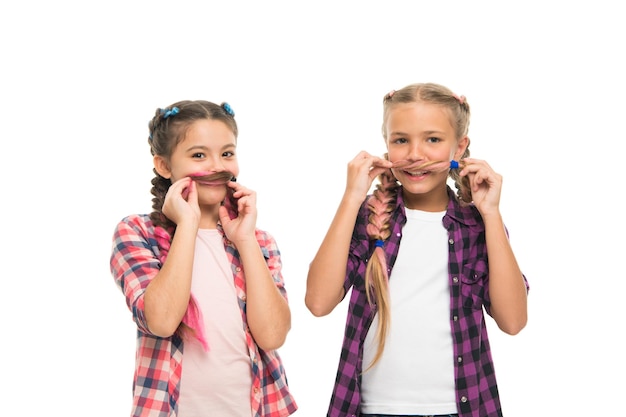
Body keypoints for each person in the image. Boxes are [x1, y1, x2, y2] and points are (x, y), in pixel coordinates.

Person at [305, 82, 529, 417]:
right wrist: (352, 198)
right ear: (387, 147)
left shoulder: (477, 225)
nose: (415, 154)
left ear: (459, 148)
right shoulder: (367, 217)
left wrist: (492, 214)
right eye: (401, 140)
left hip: (461, 407)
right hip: (373, 408)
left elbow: (513, 321)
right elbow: (319, 302)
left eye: (433, 139)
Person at [110, 100, 297, 417]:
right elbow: (162, 320)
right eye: (199, 155)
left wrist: (245, 240)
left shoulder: (259, 241)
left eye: (227, 153)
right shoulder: (137, 232)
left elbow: (273, 335)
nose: (218, 166)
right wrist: (187, 224)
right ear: (164, 165)